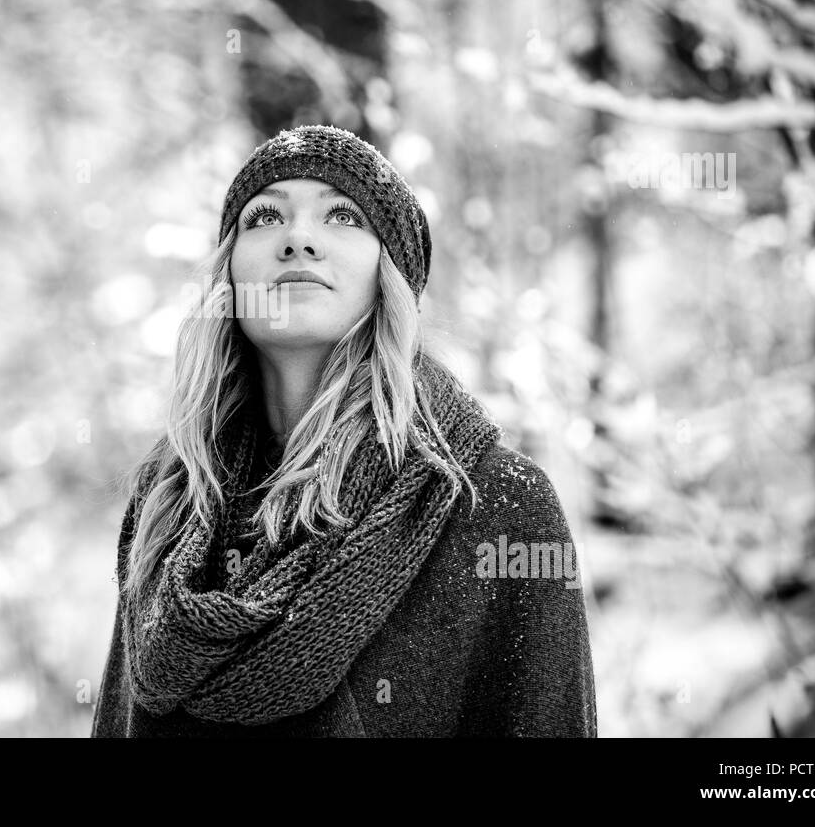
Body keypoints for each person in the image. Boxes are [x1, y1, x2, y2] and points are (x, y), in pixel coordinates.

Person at [90, 124, 597, 737]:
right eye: (265, 216)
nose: (298, 238)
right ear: (228, 277)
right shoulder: (170, 498)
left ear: (392, 278)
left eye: (344, 217)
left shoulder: (492, 504)